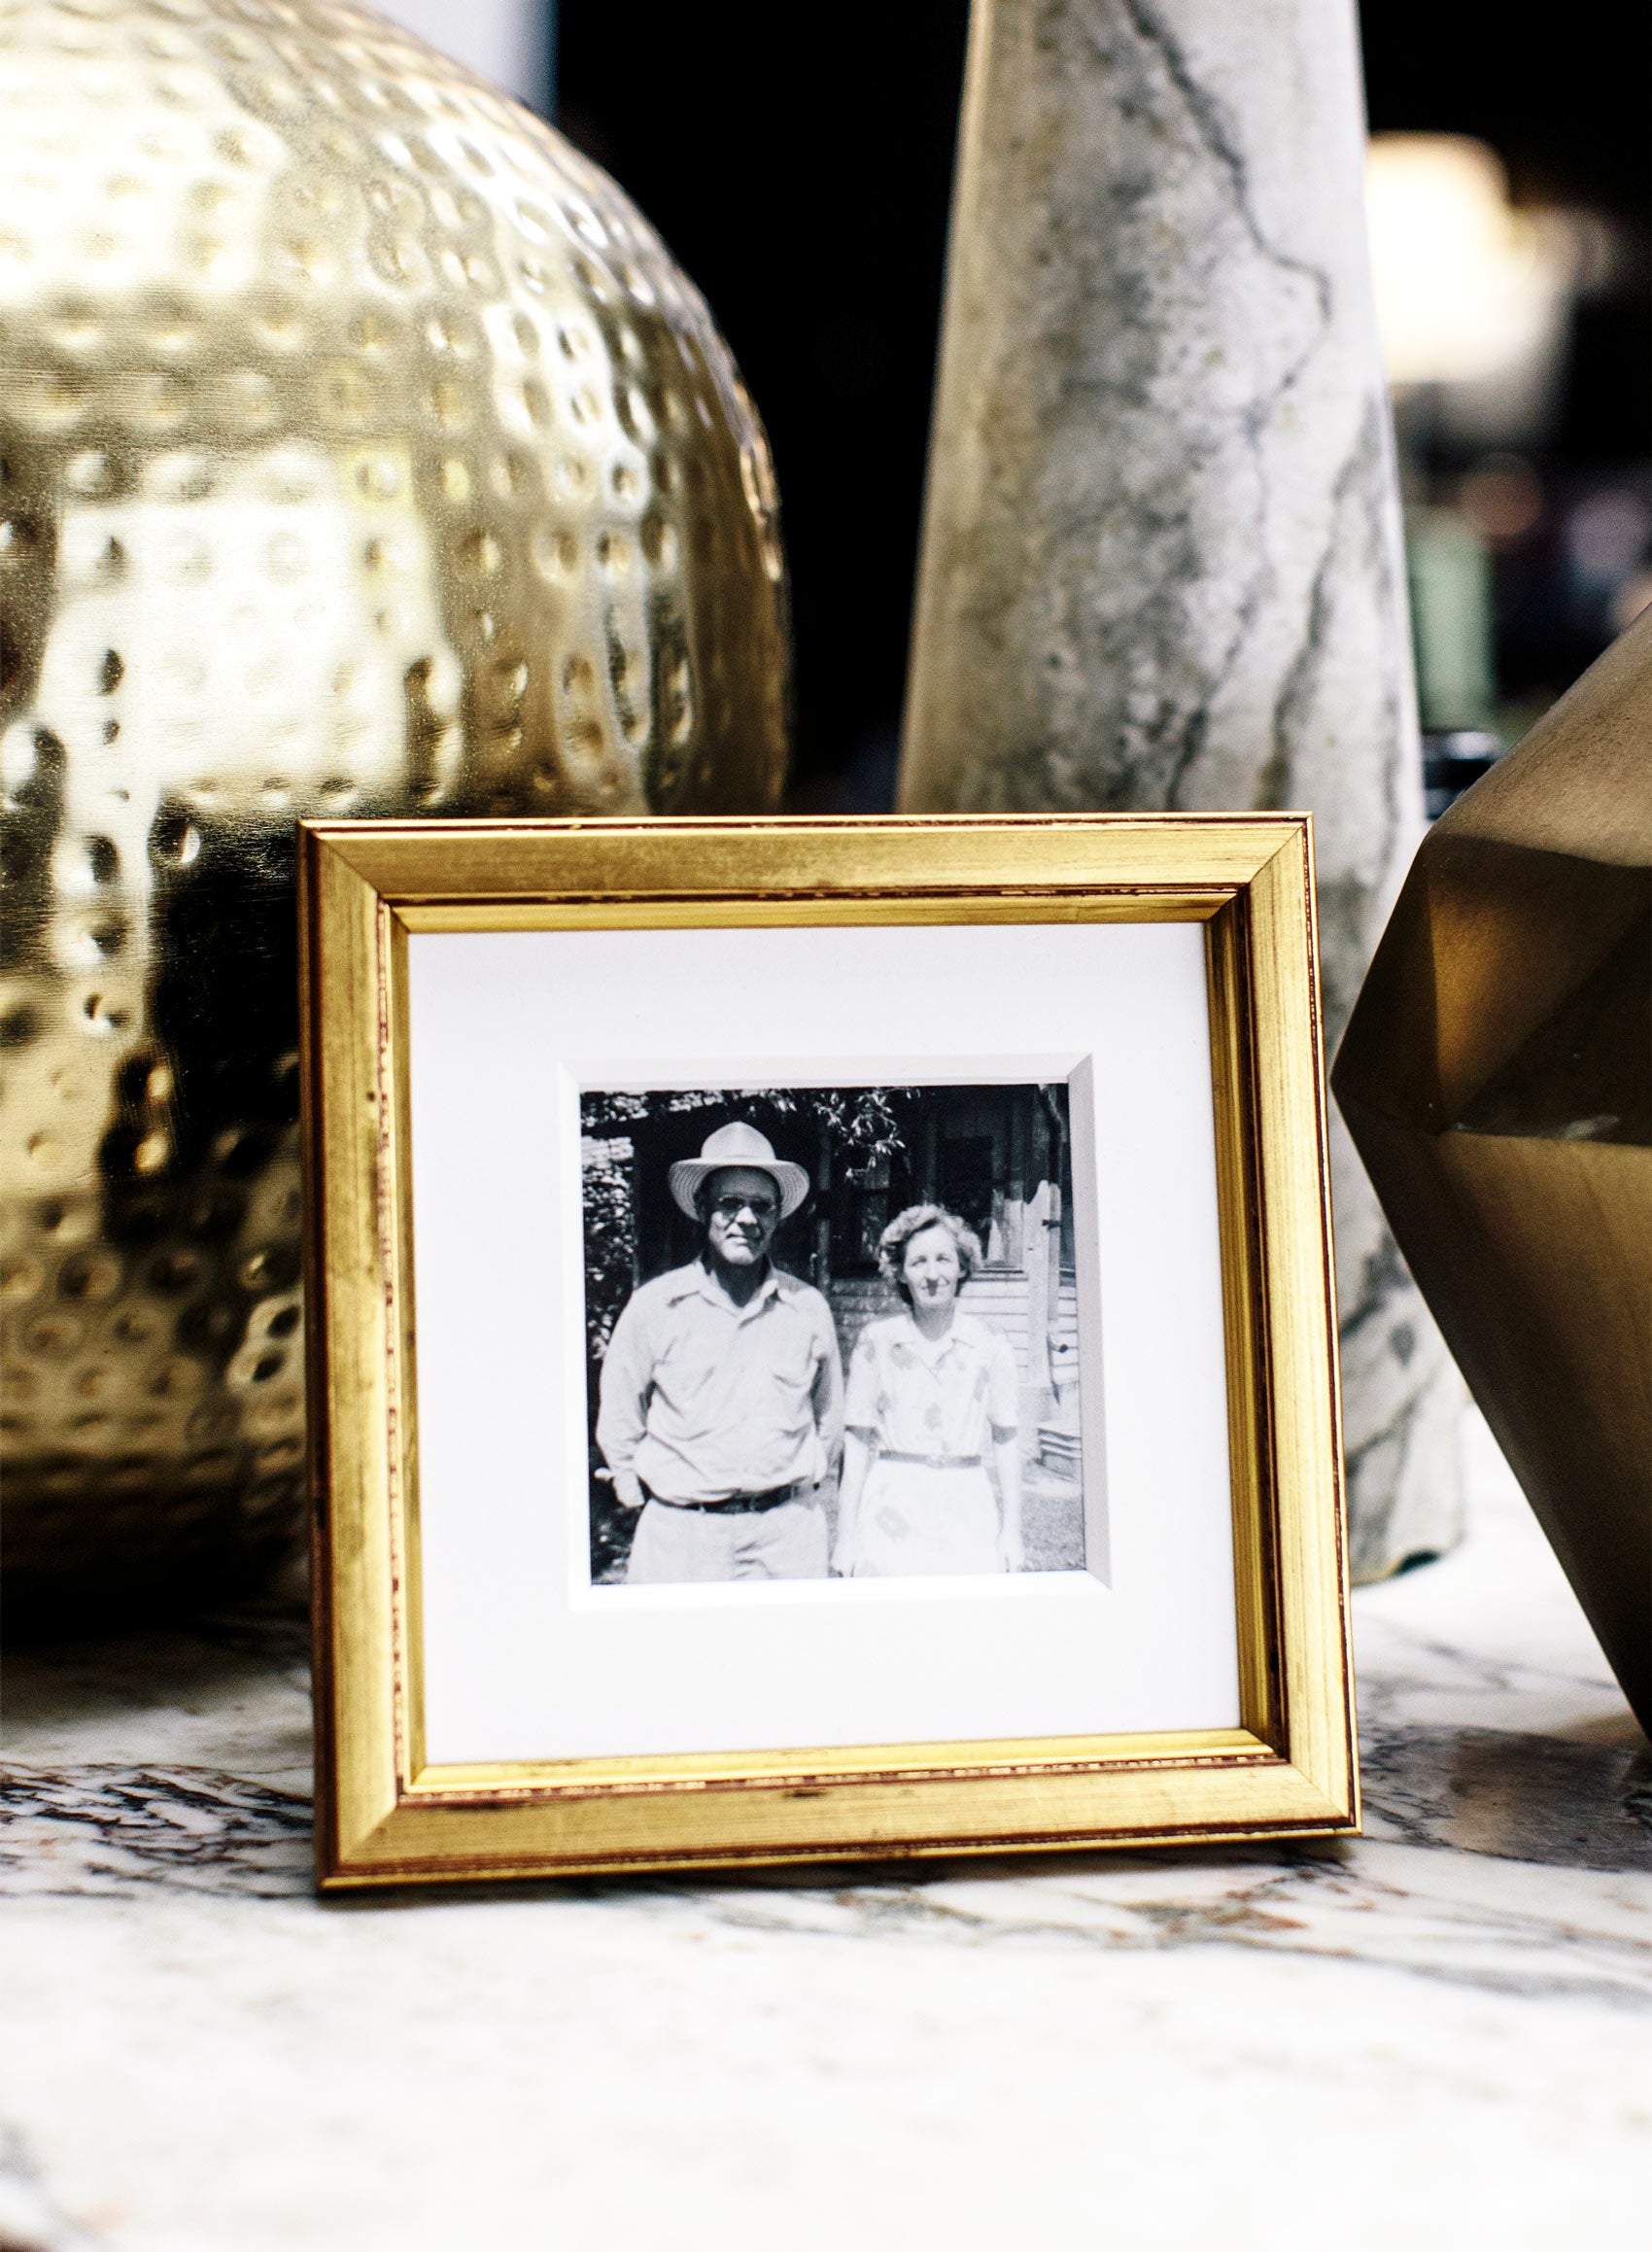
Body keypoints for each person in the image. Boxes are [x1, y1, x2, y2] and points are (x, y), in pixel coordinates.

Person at [596, 1121, 843, 1583]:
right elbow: (619, 1413)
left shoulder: (807, 1308)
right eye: (730, 1203)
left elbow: (830, 1416)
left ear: (776, 1217)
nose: (746, 1219)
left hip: (786, 1534)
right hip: (682, 1534)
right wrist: (633, 1491)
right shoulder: (656, 1306)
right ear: (701, 1208)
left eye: (760, 1206)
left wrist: (801, 1492)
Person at [833, 1203, 1024, 1577]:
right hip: (892, 1504)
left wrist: (1012, 1532)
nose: (932, 1274)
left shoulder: (991, 1342)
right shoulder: (877, 1341)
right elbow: (855, 1443)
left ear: (963, 1266)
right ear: (901, 1273)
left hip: (967, 1504)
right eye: (918, 1262)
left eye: (943, 1259)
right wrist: (846, 1536)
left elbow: (1006, 1439)